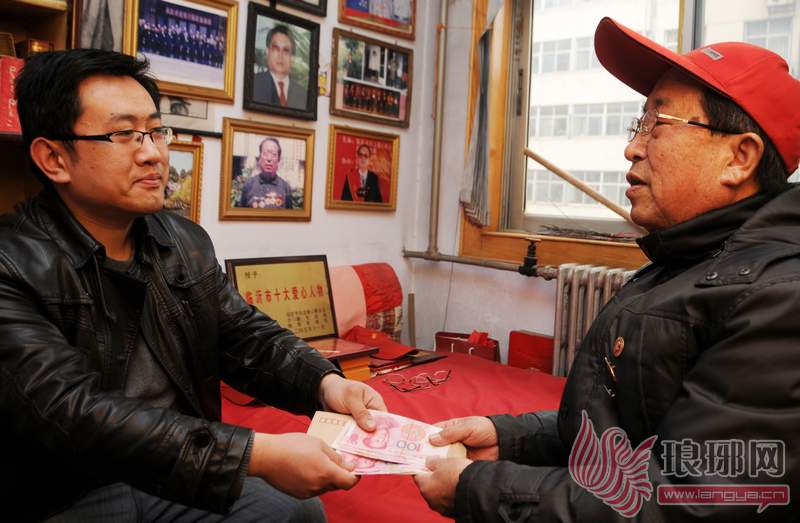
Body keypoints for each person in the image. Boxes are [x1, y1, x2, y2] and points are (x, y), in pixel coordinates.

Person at [414, 16, 800, 522]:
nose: (632, 147)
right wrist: (512, 438)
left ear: (739, 158)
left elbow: (688, 501)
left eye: (658, 124)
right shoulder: (686, 260)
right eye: (638, 124)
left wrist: (479, 490)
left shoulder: (777, 298)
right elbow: (628, 426)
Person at [2, 48, 387, 521]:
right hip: (66, 491)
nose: (152, 152)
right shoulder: (11, 264)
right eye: (123, 134)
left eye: (155, 131)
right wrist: (254, 454)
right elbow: (74, 413)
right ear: (54, 158)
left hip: (176, 471)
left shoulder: (182, 241)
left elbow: (246, 337)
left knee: (295, 511)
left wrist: (326, 385)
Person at [253, 25, 305, 109]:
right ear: (267, 52)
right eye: (276, 49)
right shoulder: (253, 83)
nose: (280, 55)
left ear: (291, 57)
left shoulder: (303, 94)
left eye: (286, 50)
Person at [238, 137, 295, 209]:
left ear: (278, 160)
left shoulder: (285, 188)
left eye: (274, 154)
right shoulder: (249, 185)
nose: (269, 159)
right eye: (265, 153)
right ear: (259, 157)